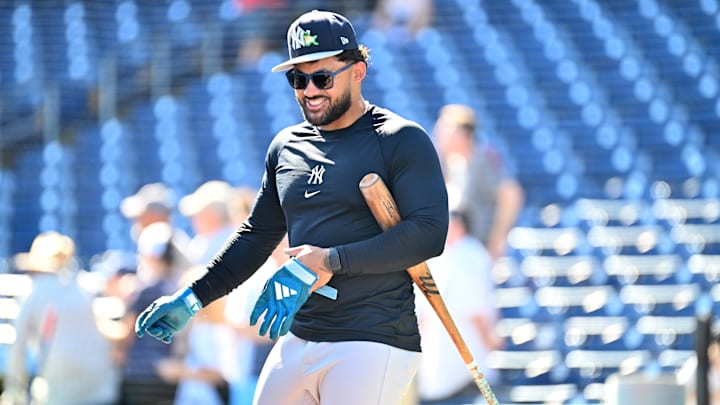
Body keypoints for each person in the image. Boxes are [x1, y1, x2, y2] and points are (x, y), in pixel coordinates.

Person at [135, 9, 448, 405]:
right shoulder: (286, 146)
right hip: (300, 334)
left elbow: (428, 234)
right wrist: (195, 297)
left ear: (358, 70)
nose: (309, 90)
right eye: (298, 79)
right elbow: (256, 235)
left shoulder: (400, 138)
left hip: (373, 336)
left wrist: (328, 260)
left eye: (322, 77)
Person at [2, 232, 119, 405]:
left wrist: (14, 390)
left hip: (60, 385)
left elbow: (18, 345)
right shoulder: (85, 286)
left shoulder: (34, 291)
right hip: (99, 381)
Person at [414, 211, 503, 404]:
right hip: (437, 365)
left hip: (466, 365)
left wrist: (488, 339)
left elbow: (476, 309)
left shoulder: (469, 253)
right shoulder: (435, 255)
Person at [433, 104, 525, 261]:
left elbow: (511, 193)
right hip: (464, 248)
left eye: (445, 130)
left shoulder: (481, 160)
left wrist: (497, 239)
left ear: (463, 134)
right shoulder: (454, 164)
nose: (438, 136)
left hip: (481, 248)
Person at [120, 182, 192, 283]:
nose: (137, 222)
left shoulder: (171, 244)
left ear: (155, 215)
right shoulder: (151, 242)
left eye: (142, 215)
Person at [179, 180, 237, 266]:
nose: (194, 220)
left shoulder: (231, 244)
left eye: (199, 215)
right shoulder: (200, 242)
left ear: (212, 215)